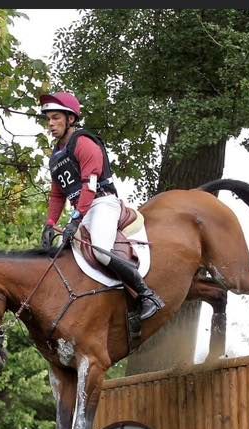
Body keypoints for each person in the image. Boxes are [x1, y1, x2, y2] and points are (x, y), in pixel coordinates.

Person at [38, 91, 164, 321]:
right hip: (82, 209)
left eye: (56, 118)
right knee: (64, 256)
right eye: (48, 119)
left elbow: (89, 186)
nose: (51, 124)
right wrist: (50, 223)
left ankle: (147, 295)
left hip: (102, 204)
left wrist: (75, 219)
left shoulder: (84, 143)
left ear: (71, 119)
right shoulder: (56, 155)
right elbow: (57, 195)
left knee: (100, 251)